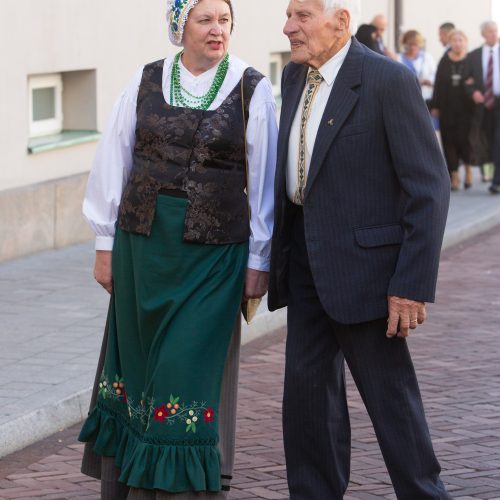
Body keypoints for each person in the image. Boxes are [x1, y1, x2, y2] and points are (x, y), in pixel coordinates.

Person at [78, 0, 278, 497]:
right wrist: (105, 243)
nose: (217, 30)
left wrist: (260, 259)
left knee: (183, 370)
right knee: (140, 367)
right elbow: (115, 156)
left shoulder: (254, 88)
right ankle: (128, 484)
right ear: (179, 26)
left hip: (213, 256)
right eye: (205, 20)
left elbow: (265, 182)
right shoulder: (145, 80)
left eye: (225, 20)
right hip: (142, 248)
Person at [268, 0, 452, 498]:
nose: (289, 27)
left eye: (302, 16)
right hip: (305, 266)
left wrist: (411, 283)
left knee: (393, 407)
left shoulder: (386, 81)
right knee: (307, 406)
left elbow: (429, 187)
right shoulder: (291, 78)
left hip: (371, 276)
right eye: (289, 16)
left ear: (341, 21)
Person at [432, 30, 474, 190]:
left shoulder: (471, 60)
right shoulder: (444, 61)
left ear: (465, 42)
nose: (457, 43)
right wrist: (435, 105)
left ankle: (468, 170)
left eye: (460, 40)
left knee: (465, 140)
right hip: (447, 107)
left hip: (466, 109)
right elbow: (438, 84)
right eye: (454, 40)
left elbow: (476, 80)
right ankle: (454, 175)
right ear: (449, 43)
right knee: (449, 141)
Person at [465, 21, 500, 194]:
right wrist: (472, 92)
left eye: (496, 31)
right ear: (483, 34)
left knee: (498, 140)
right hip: (482, 105)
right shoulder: (474, 56)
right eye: (490, 32)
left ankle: (496, 181)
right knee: (486, 141)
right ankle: (492, 176)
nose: (494, 34)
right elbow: (467, 80)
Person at [397, 30, 437, 105]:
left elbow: (435, 75)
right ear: (404, 44)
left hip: (425, 98)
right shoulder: (398, 58)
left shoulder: (427, 58)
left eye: (415, 44)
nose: (412, 47)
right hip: (405, 98)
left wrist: (428, 81)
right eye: (410, 44)